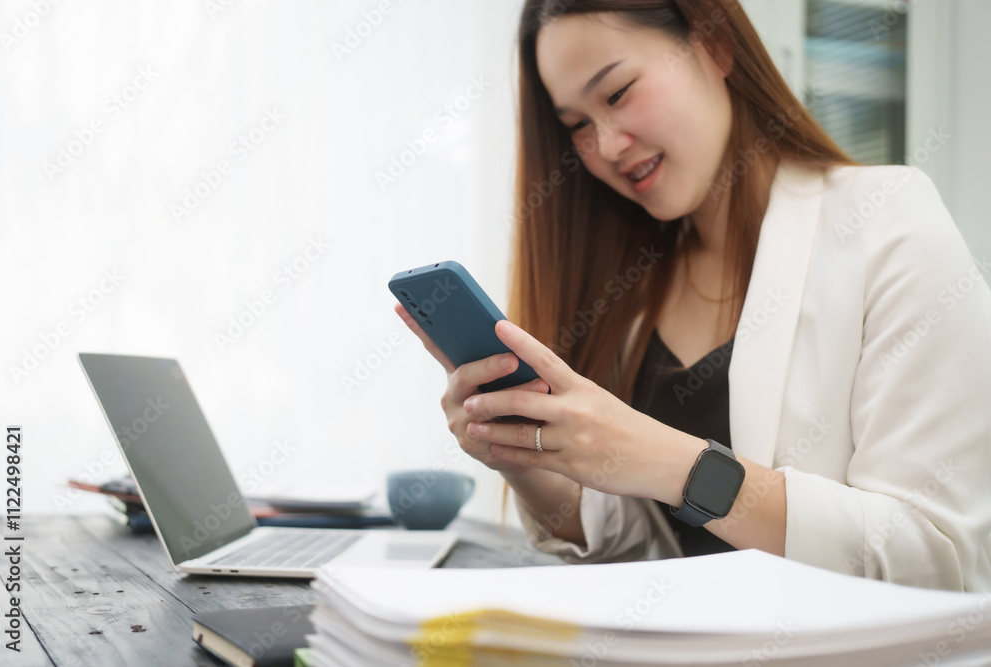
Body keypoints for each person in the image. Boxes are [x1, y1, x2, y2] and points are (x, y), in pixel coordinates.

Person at [394, 0, 991, 592]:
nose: (604, 145)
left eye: (619, 92)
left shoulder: (887, 220)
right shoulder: (638, 287)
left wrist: (672, 462)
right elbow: (649, 549)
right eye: (576, 124)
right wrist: (526, 459)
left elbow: (939, 558)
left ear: (715, 45)